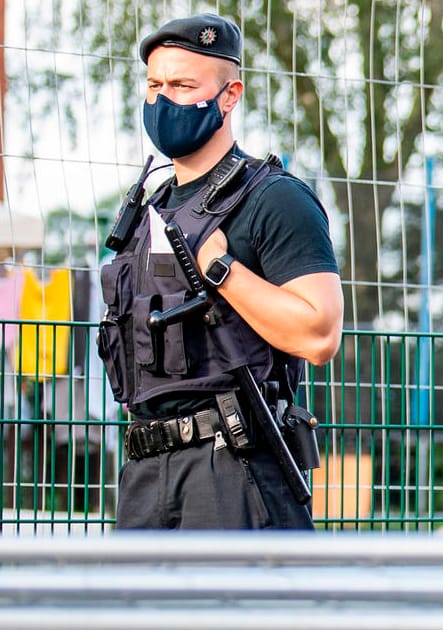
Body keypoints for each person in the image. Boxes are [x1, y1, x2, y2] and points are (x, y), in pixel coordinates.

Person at [97, 13, 344, 529]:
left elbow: (319, 334)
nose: (164, 100)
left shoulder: (273, 199)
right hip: (144, 472)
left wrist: (223, 269)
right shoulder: (149, 210)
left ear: (229, 95)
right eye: (155, 85)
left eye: (184, 85)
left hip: (234, 470)